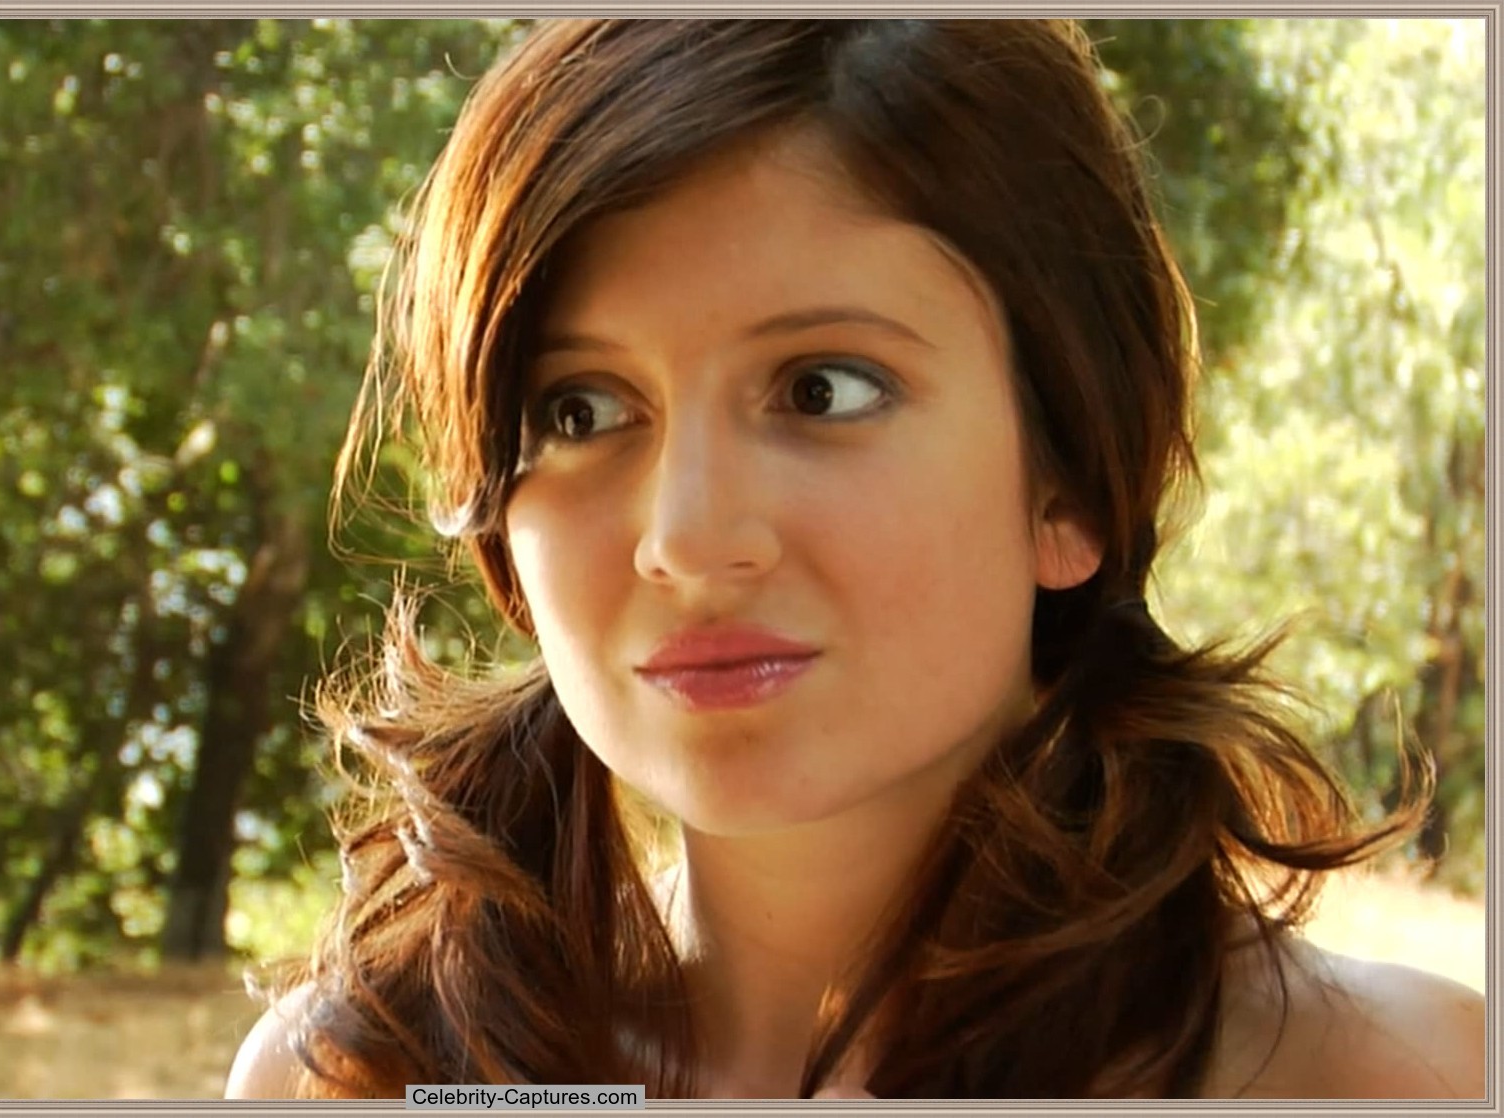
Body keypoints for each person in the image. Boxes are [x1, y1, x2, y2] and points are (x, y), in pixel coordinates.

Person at [226, 19, 1484, 1099]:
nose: (685, 538)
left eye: (822, 389)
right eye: (579, 410)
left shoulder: (1393, 1079)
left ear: (1068, 483)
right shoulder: (361, 1079)